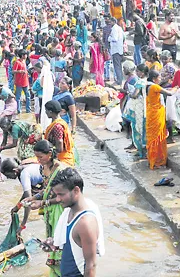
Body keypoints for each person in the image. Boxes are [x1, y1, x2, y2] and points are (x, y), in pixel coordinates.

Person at [17, 140, 70, 276]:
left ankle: (63, 269)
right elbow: (47, 189)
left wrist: (42, 203)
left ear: (50, 154)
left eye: (41, 157)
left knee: (59, 242)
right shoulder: (43, 168)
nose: (39, 160)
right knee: (51, 240)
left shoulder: (60, 170)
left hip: (59, 210)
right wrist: (34, 197)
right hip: (50, 212)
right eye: (37, 157)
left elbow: (60, 197)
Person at [49, 168, 104, 277]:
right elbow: (73, 244)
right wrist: (53, 243)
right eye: (56, 195)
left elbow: (91, 265)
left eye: (61, 194)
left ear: (76, 190)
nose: (58, 199)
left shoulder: (85, 223)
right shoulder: (69, 212)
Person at [145, 70, 173, 169]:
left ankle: (152, 159)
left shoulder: (147, 85)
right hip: (156, 114)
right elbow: (169, 94)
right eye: (159, 77)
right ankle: (157, 161)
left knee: (152, 138)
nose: (160, 79)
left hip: (150, 113)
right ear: (154, 79)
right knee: (157, 137)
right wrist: (175, 89)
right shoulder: (154, 87)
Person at [124, 64, 149, 157]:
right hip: (144, 107)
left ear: (142, 73)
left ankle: (142, 151)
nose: (136, 73)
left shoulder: (140, 82)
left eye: (138, 71)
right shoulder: (147, 81)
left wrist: (129, 94)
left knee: (138, 128)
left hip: (139, 107)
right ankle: (142, 150)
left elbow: (135, 94)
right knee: (143, 128)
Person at [44, 100, 76, 167]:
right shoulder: (59, 122)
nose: (45, 112)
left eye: (46, 110)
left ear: (50, 112)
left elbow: (59, 146)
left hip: (62, 160)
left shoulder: (57, 126)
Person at [13, 49, 31, 113]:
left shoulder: (24, 61)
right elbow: (13, 71)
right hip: (19, 82)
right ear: (22, 55)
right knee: (18, 97)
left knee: (28, 96)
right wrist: (20, 71)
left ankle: (28, 109)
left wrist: (27, 74)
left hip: (25, 81)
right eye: (25, 54)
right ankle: (19, 110)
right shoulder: (17, 62)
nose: (26, 56)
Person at [107, 17, 124, 86]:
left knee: (117, 66)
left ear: (113, 21)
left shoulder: (114, 28)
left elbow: (115, 38)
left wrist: (109, 38)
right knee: (119, 66)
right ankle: (119, 80)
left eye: (110, 22)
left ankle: (119, 81)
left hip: (116, 50)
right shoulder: (119, 28)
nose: (110, 23)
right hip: (119, 49)